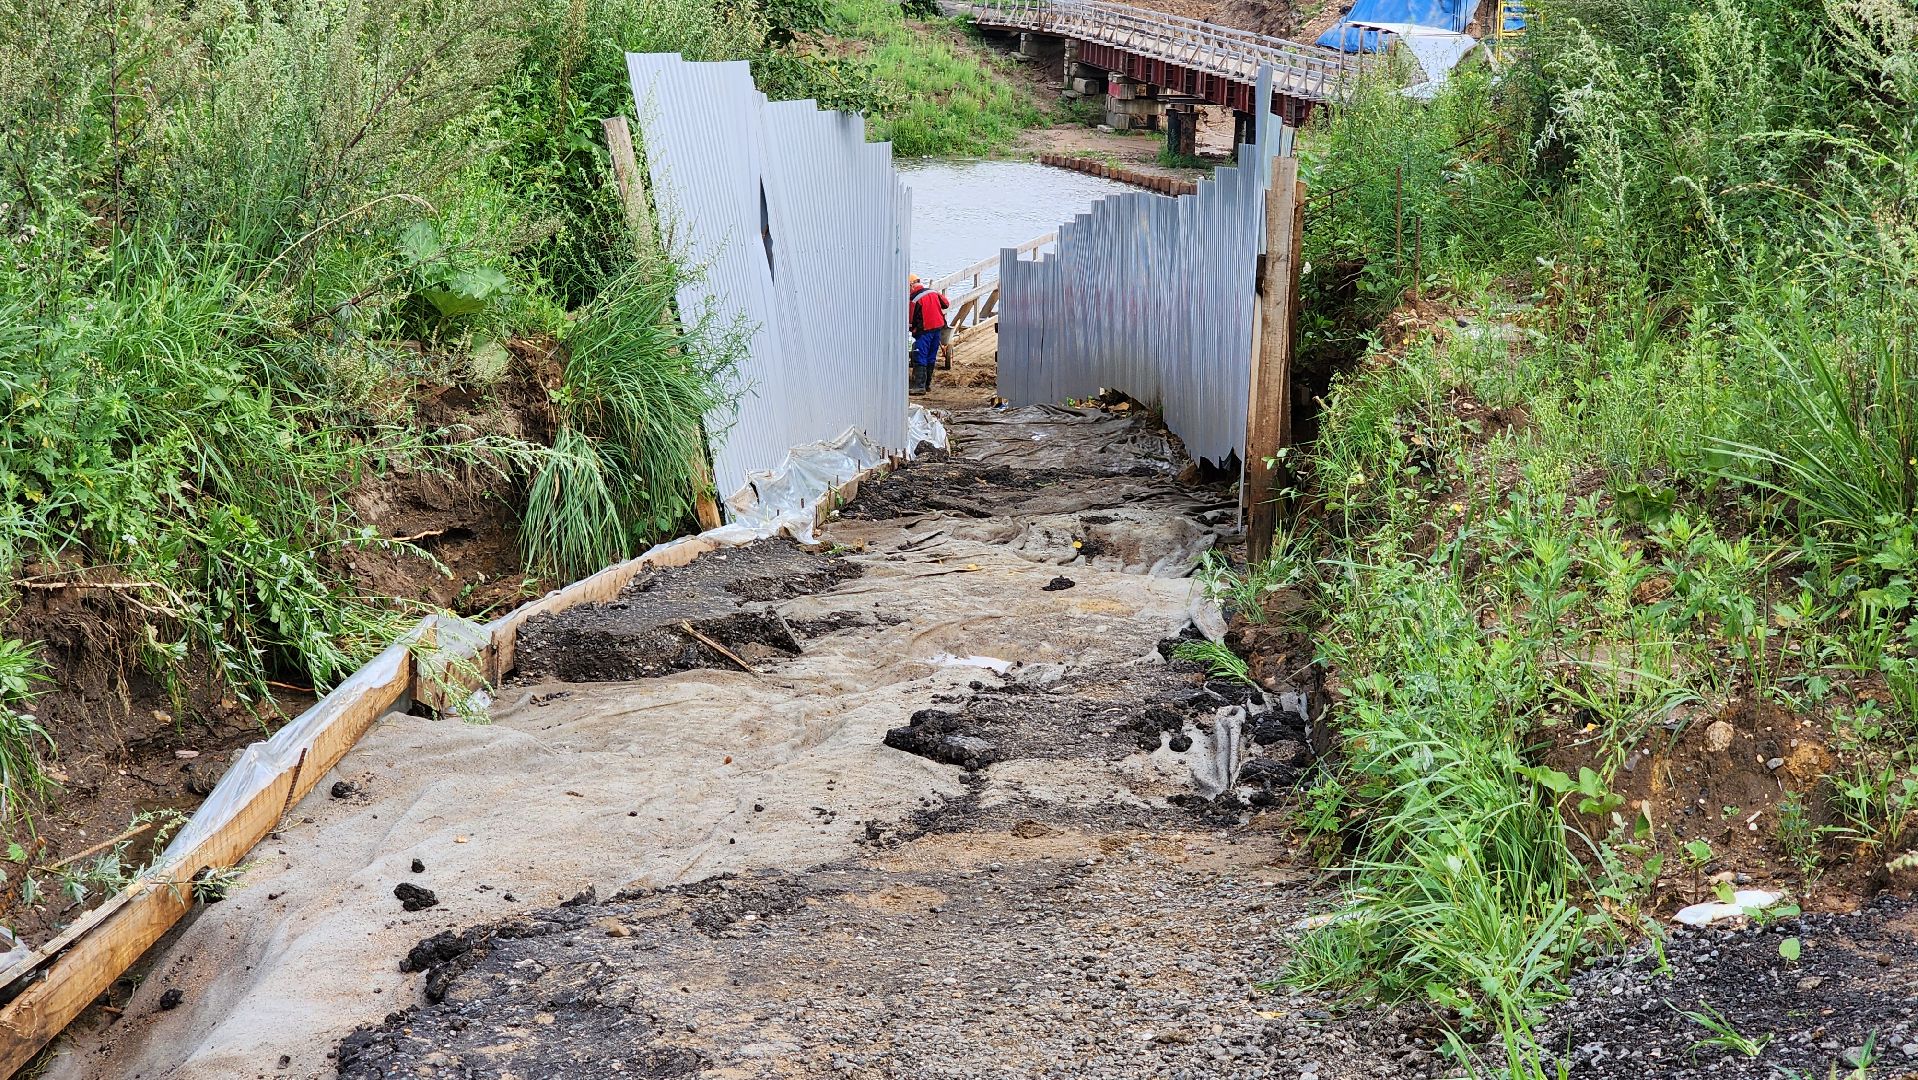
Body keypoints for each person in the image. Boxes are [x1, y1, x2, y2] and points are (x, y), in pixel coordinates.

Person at [907, 273, 948, 395]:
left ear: (911, 285)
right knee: (931, 356)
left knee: (920, 356)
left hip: (924, 330)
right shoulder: (933, 292)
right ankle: (927, 385)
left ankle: (919, 386)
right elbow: (946, 304)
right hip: (937, 328)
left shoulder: (914, 299)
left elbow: (910, 319)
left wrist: (911, 330)